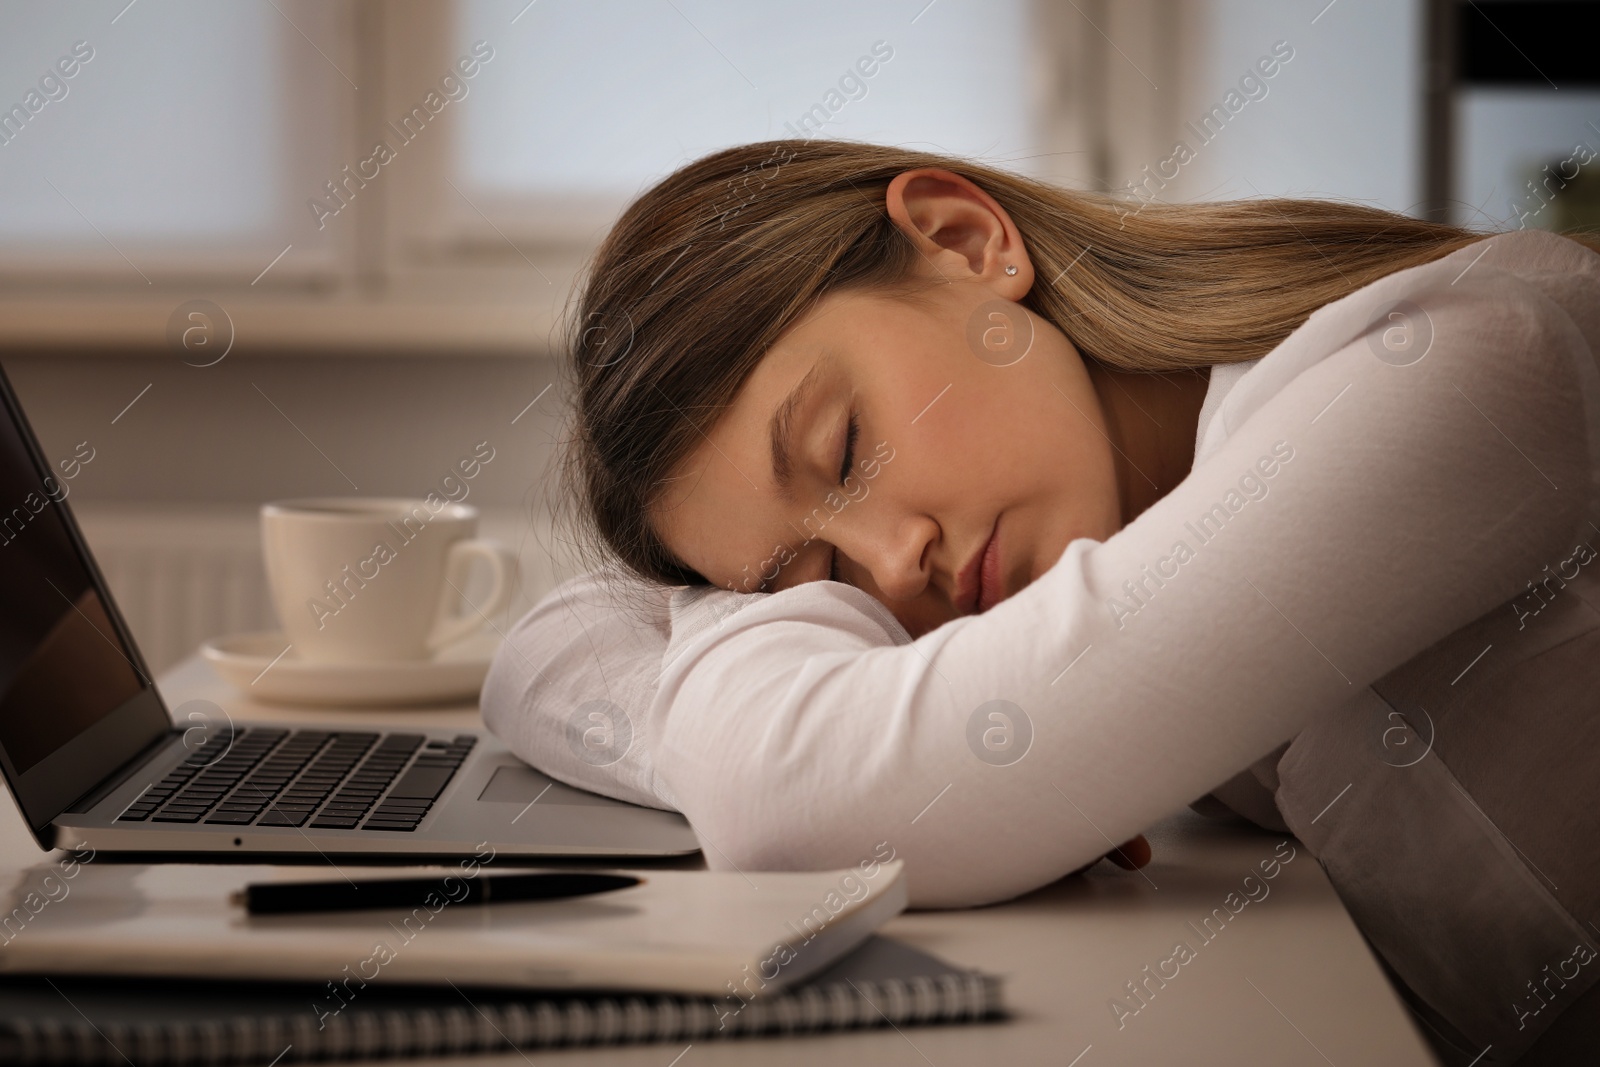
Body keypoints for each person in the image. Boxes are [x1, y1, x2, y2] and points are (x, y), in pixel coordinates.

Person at [482, 140, 1600, 1062]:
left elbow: (787, 796)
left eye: (846, 447)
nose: (892, 561)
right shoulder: (1146, 514)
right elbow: (550, 644)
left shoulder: (1465, 363)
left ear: (967, 243)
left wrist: (816, 718)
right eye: (810, 583)